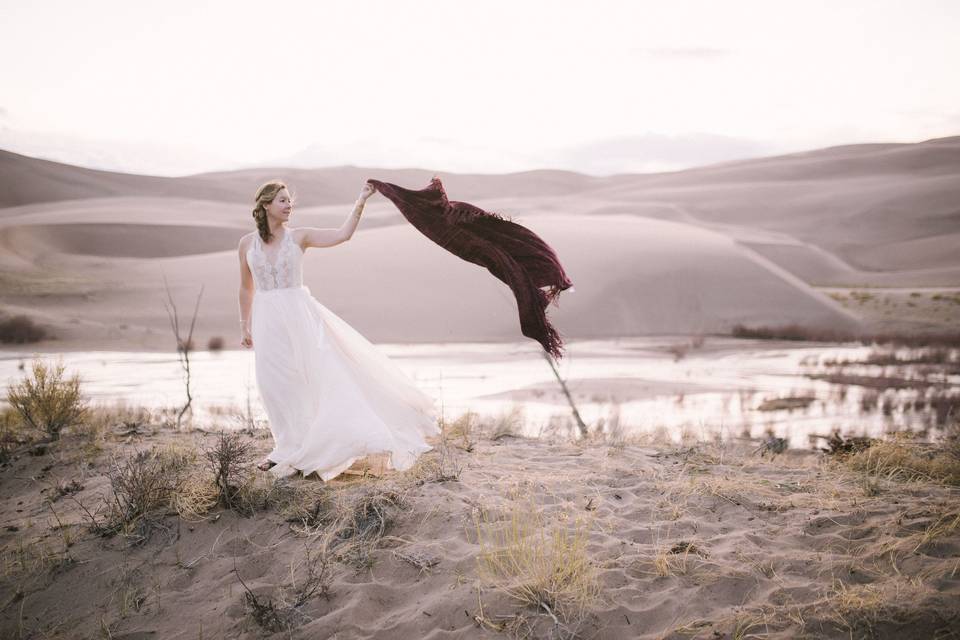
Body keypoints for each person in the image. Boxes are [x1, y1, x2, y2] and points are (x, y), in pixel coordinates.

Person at [237, 179, 439, 480]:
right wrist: (245, 324)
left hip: (300, 317)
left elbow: (343, 235)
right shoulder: (246, 244)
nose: (288, 204)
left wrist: (361, 201)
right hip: (267, 321)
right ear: (266, 205)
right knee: (274, 386)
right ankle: (286, 448)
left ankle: (307, 449)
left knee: (311, 380)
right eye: (282, 200)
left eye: (290, 200)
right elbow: (245, 287)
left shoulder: (299, 237)